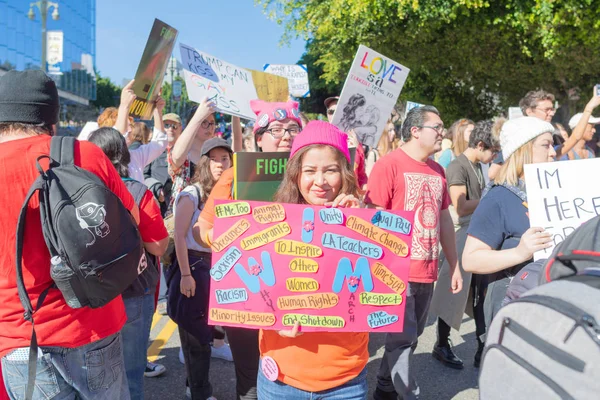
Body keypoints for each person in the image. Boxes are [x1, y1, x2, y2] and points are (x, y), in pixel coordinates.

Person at [0, 70, 137, 399]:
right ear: (52, 116)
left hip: (20, 336)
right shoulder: (86, 155)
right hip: (94, 321)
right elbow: (129, 221)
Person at [196, 99, 303, 400]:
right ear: (259, 137)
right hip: (247, 290)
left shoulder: (309, 173)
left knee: (290, 375)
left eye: (294, 128)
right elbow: (203, 227)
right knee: (250, 381)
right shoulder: (236, 175)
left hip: (297, 290)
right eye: (277, 129)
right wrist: (222, 238)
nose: (286, 135)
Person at [257, 121, 367, 398]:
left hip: (345, 381)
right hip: (281, 378)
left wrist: (362, 226)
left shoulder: (366, 220)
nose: (320, 181)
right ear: (295, 175)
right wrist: (270, 318)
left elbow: (380, 288)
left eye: (330, 170)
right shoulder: (271, 223)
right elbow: (252, 288)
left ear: (344, 174)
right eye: (309, 171)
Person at [365, 106, 463, 400]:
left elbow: (444, 218)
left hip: (428, 268)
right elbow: (373, 217)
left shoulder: (438, 170)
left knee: (414, 334)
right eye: (438, 127)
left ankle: (384, 386)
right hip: (395, 271)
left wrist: (455, 265)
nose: (442, 133)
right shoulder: (388, 164)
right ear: (415, 130)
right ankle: (408, 393)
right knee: (402, 338)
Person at [88, 127, 169, 400]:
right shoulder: (137, 191)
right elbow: (158, 245)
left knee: (98, 377)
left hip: (92, 292)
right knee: (131, 373)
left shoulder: (77, 192)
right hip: (134, 288)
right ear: (124, 154)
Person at [462, 116, 556, 338]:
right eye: (546, 145)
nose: (553, 152)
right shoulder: (499, 198)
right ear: (524, 150)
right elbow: (470, 259)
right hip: (512, 306)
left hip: (551, 304)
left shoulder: (553, 194)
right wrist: (520, 252)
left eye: (553, 145)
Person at [429, 120, 500, 370]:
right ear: (480, 145)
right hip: (461, 233)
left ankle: (480, 347)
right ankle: (442, 344)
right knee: (453, 293)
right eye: (493, 150)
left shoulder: (477, 165)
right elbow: (459, 206)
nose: (494, 156)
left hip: (475, 232)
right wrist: (490, 199)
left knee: (478, 294)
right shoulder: (458, 166)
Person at [171, 138, 235, 400]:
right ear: (204, 162)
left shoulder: (231, 191)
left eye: (225, 159)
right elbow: (178, 236)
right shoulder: (192, 194)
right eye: (214, 159)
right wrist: (186, 274)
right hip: (195, 267)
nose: (220, 164)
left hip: (219, 267)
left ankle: (193, 385)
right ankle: (199, 391)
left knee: (207, 333)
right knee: (195, 337)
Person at [325, 96, 368, 189]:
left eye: (338, 111)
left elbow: (361, 176)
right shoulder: (321, 137)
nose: (334, 115)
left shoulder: (354, 140)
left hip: (350, 197)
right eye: (331, 112)